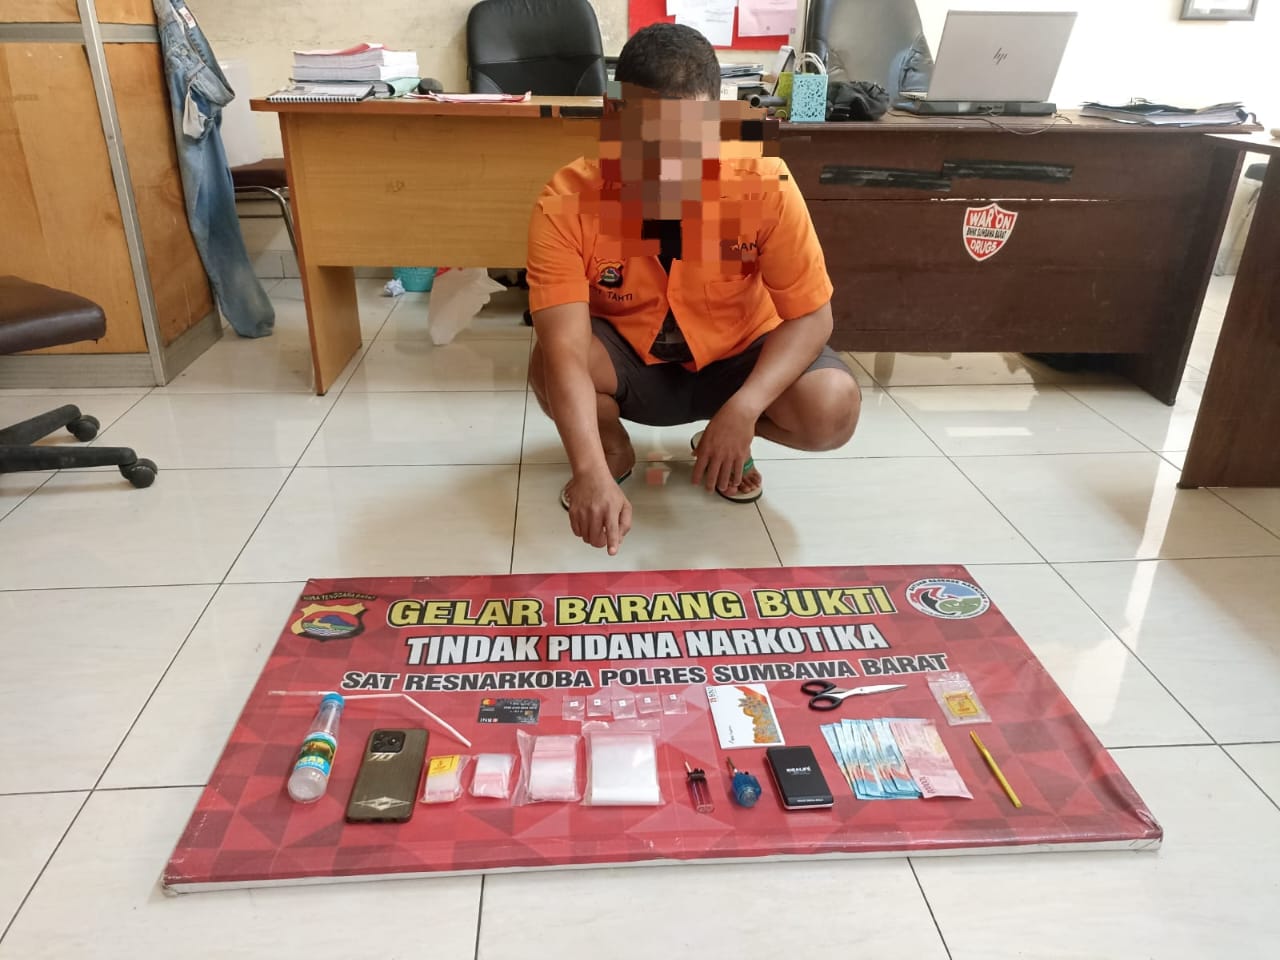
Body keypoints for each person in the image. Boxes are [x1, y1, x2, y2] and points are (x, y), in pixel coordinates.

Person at [527, 23, 861, 556]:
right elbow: (564, 349)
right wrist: (587, 470)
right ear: (614, 117)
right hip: (632, 365)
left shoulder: (765, 183)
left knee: (832, 407)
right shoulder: (568, 199)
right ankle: (610, 451)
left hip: (735, 360)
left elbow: (813, 316)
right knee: (548, 361)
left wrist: (745, 410)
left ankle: (725, 438)